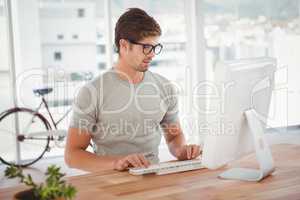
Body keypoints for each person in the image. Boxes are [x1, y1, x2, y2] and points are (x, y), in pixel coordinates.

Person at [64, 8, 201, 172]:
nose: (152, 54)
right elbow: (72, 155)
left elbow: (174, 136)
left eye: (155, 47)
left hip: (153, 178)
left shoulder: (165, 87)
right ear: (124, 45)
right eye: (146, 47)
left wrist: (181, 150)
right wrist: (117, 163)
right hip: (110, 182)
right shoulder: (92, 92)